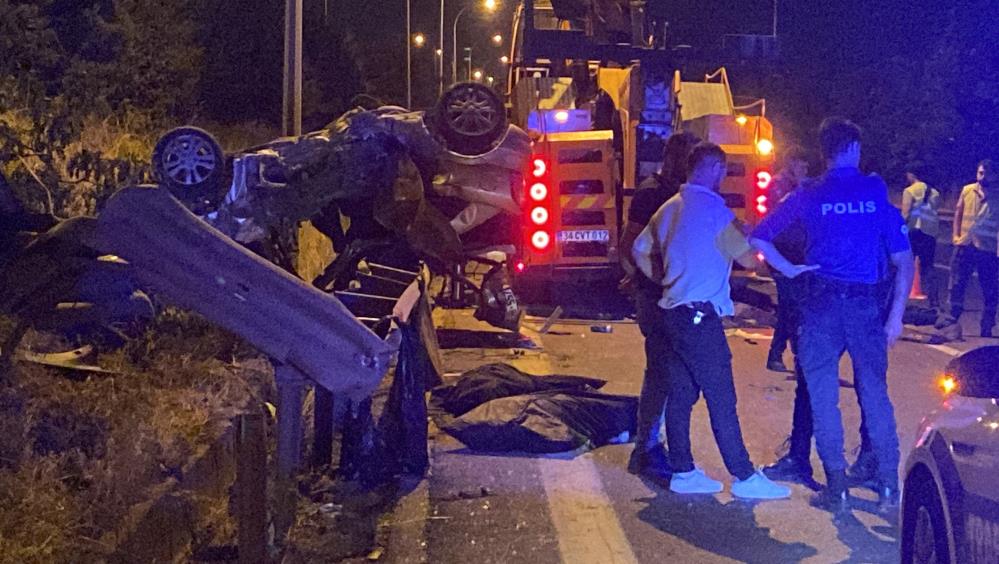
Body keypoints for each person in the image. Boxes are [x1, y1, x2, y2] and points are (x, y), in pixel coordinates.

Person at [751, 118, 914, 512]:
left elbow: (758, 235)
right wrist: (895, 317)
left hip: (820, 306)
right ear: (855, 149)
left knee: (823, 397)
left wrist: (787, 269)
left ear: (824, 152)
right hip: (865, 307)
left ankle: (836, 485)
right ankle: (888, 485)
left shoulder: (809, 193)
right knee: (875, 395)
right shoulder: (875, 193)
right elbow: (904, 260)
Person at [634, 142, 810, 500]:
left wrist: (667, 278)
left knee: (681, 393)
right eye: (722, 171)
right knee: (720, 396)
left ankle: (683, 470)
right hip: (700, 317)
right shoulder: (715, 210)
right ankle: (744, 476)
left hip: (672, 312)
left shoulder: (669, 208)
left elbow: (638, 250)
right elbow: (748, 261)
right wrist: (749, 239)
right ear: (714, 169)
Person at [621, 131, 700, 481]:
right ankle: (649, 449)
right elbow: (630, 244)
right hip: (658, 298)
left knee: (668, 373)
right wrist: (651, 280)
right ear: (675, 159)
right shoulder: (654, 193)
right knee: (662, 374)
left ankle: (652, 446)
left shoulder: (686, 194)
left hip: (672, 296)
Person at [765, 145, 810, 373]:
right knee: (790, 305)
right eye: (802, 164)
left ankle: (783, 354)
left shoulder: (800, 185)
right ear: (792, 163)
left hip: (797, 253)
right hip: (781, 251)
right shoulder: (779, 184)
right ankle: (788, 354)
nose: (805, 168)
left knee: (791, 306)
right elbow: (785, 212)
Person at [948, 160, 998, 337]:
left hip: (987, 248)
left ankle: (987, 324)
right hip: (965, 244)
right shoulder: (968, 190)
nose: (982, 177)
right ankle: (952, 319)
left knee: (990, 288)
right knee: (957, 283)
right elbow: (958, 213)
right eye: (980, 173)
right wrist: (955, 236)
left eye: (986, 174)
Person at [900, 164, 942, 308]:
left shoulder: (909, 191)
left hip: (914, 232)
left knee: (905, 266)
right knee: (928, 267)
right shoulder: (935, 192)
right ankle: (934, 301)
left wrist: (899, 231)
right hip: (930, 233)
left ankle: (898, 300)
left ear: (912, 175)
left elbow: (905, 213)